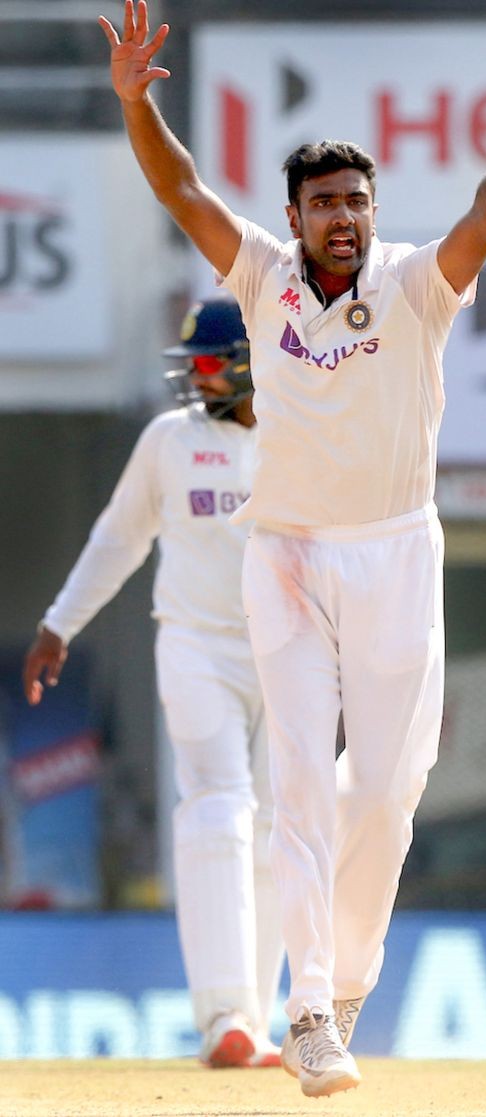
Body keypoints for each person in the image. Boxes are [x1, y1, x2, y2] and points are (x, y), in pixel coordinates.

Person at [98, 0, 486, 1097]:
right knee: (300, 785)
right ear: (296, 215)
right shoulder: (261, 276)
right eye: (325, 204)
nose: (345, 217)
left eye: (357, 200)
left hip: (397, 555)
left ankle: (345, 981)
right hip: (289, 555)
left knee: (387, 794)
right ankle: (305, 1007)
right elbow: (179, 190)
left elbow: (485, 217)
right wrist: (136, 106)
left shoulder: (413, 285)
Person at [23, 295, 285, 1070]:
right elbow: (118, 536)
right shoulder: (170, 443)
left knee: (277, 830)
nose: (201, 378)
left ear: (253, 359)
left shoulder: (303, 438)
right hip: (197, 645)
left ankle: (258, 1024)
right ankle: (223, 1018)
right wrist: (59, 624)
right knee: (218, 809)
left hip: (291, 652)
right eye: (194, 364)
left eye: (214, 362)